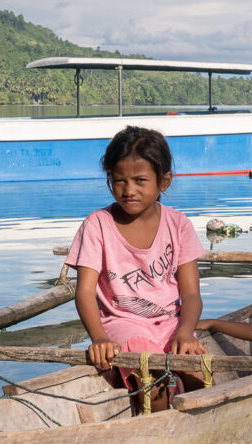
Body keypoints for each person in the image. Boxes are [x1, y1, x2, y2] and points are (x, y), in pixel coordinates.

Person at [66, 126, 207, 412]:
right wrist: (99, 339)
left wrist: (185, 331)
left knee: (199, 375)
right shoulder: (98, 225)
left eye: (140, 180)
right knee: (151, 377)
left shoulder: (178, 224)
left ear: (164, 181)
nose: (129, 190)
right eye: (119, 181)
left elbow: (191, 294)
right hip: (123, 324)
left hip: (170, 323)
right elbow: (84, 292)